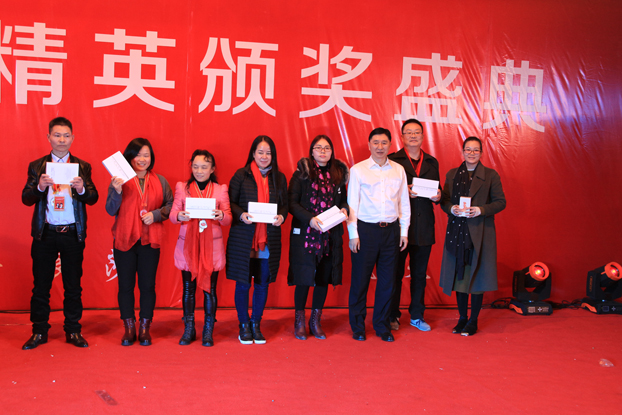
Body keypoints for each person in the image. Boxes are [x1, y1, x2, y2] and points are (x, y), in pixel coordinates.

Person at [21, 117, 99, 350]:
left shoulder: (82, 167)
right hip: (45, 233)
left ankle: (73, 330)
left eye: (66, 135)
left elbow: (93, 197)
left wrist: (81, 189)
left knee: (73, 286)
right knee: (41, 286)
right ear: (49, 138)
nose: (62, 140)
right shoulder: (37, 166)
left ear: (73, 138)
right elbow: (26, 198)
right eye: (57, 135)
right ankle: (39, 331)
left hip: (72, 234)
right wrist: (40, 187)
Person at [106, 138, 173, 346]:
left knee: (147, 286)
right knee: (125, 286)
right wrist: (117, 192)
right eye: (137, 155)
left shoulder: (160, 180)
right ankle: (129, 328)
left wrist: (156, 214)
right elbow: (110, 210)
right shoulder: (119, 179)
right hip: (125, 239)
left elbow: (171, 205)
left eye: (146, 155)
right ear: (129, 157)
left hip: (149, 240)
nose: (142, 159)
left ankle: (144, 328)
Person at [347, 127, 411, 342]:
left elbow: (404, 203)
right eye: (376, 142)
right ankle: (358, 326)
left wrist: (404, 231)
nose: (380, 147)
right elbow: (352, 204)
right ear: (369, 145)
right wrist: (353, 234)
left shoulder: (398, 170)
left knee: (387, 282)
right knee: (360, 281)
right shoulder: (358, 170)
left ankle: (382, 326)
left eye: (384, 143)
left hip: (391, 231)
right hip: (366, 231)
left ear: (391, 145)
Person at [439, 137, 506, 336]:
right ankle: (462, 318)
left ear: (481, 153)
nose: (471, 153)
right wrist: (452, 209)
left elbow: (500, 202)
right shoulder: (452, 174)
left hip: (480, 232)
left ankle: (473, 320)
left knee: (478, 277)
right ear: (462, 152)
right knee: (460, 277)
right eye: (468, 149)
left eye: (476, 150)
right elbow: (444, 201)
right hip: (457, 232)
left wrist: (480, 210)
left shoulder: (491, 175)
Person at [226, 136, 288, 345]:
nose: (264, 156)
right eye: (260, 152)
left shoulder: (279, 178)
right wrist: (241, 214)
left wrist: (282, 216)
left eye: (268, 153)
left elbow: (285, 205)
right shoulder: (241, 175)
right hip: (244, 239)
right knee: (243, 284)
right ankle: (244, 324)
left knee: (262, 284)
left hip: (268, 239)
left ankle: (256, 323)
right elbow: (230, 202)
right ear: (253, 153)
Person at [288, 135, 349, 340]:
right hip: (306, 235)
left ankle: (315, 320)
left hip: (329, 235)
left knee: (323, 278)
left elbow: (343, 201)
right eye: (318, 148)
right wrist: (310, 219)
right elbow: (292, 203)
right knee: (303, 278)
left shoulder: (338, 175)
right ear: (312, 151)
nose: (323, 151)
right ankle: (299, 321)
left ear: (332, 152)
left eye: (327, 148)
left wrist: (345, 209)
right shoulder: (301, 174)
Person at [170, 149, 232, 347]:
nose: (199, 171)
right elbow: (172, 215)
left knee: (209, 290)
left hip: (211, 247)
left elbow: (228, 218)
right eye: (195, 167)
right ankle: (189, 328)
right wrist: (179, 216)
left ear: (212, 169)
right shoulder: (182, 187)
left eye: (204, 167)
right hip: (188, 246)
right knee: (188, 289)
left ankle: (208, 329)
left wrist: (221, 215)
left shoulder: (220, 189)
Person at [388, 119, 441, 332]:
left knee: (419, 275)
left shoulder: (432, 162)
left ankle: (417, 315)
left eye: (416, 132)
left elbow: (437, 190)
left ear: (423, 136)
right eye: (408, 132)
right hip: (399, 227)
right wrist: (403, 192)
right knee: (395, 274)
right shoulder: (393, 160)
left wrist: (439, 196)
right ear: (401, 136)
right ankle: (392, 314)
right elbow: (384, 194)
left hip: (424, 226)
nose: (413, 136)